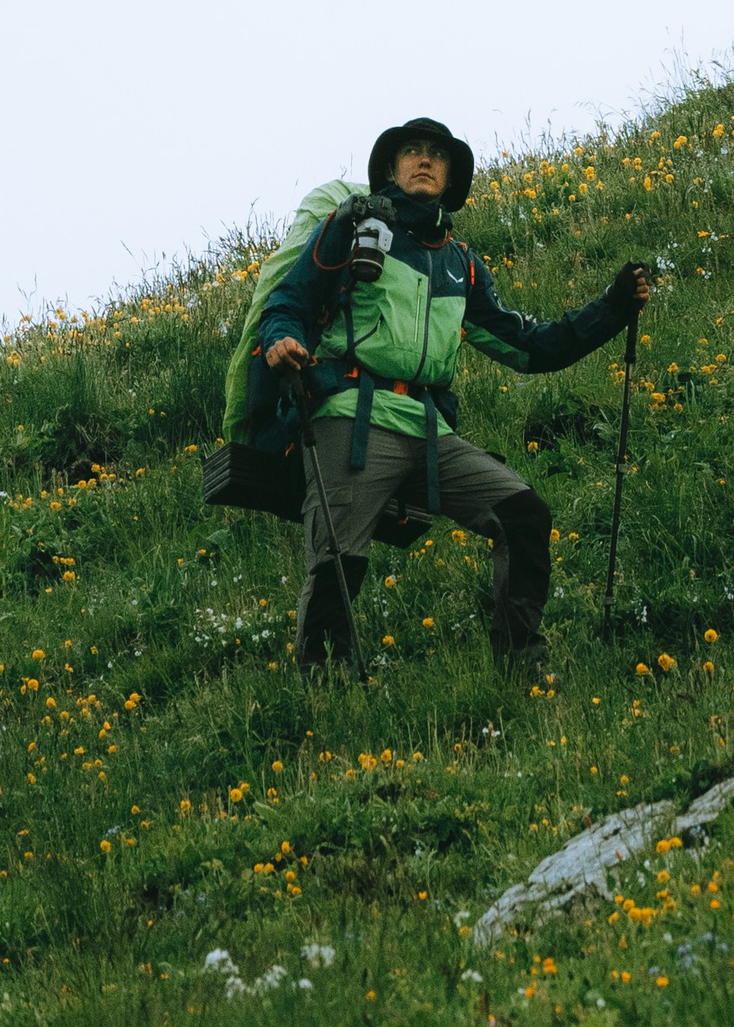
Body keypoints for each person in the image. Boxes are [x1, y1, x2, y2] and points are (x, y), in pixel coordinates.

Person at [255, 117, 650, 669]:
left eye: (436, 155)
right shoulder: (353, 229)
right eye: (411, 151)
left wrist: (611, 309)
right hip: (352, 416)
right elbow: (289, 302)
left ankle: (522, 669)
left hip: (430, 430)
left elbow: (529, 348)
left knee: (525, 515)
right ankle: (323, 693)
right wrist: (281, 343)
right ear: (391, 169)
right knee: (338, 562)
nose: (423, 160)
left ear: (449, 176)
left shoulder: (460, 263)